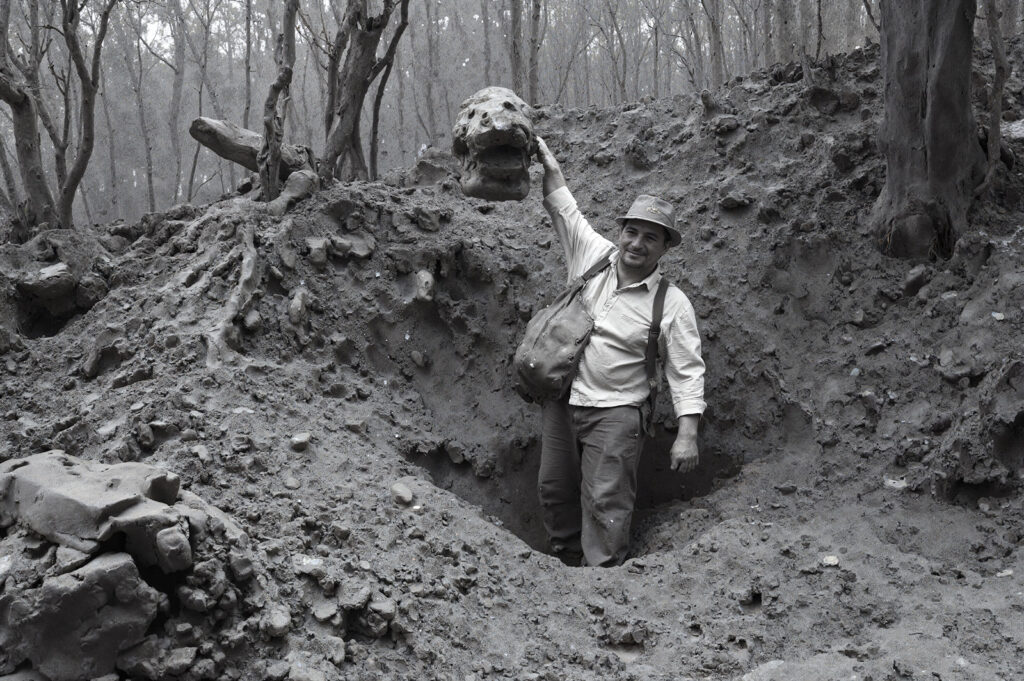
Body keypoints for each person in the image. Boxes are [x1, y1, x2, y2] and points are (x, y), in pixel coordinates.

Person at [534, 136, 706, 567]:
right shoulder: (592, 257)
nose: (636, 244)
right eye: (631, 231)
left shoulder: (672, 304)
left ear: (665, 248)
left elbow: (686, 372)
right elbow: (564, 210)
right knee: (554, 488)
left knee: (606, 501)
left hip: (617, 413)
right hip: (563, 400)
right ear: (620, 231)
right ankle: (565, 567)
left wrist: (687, 434)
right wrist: (548, 166)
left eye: (651, 237)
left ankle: (603, 580)